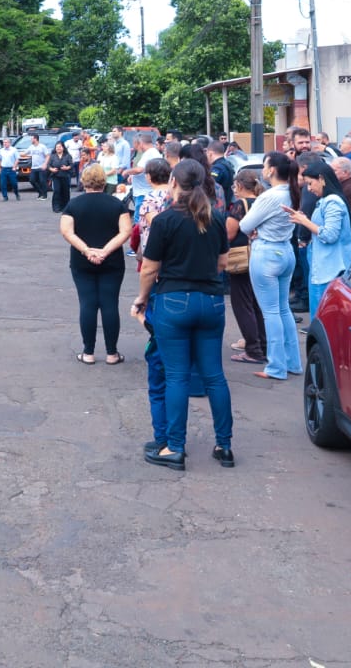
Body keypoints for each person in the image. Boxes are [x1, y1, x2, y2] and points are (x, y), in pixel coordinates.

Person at [130, 159, 233, 471]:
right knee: (214, 376)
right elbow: (223, 263)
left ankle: (174, 447)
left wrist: (142, 299)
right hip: (212, 302)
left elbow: (149, 268)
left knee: (175, 376)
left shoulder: (165, 221)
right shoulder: (215, 217)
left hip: (174, 300)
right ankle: (224, 446)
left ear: (173, 182)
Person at [239, 153, 302, 382]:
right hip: (285, 251)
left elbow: (245, 224)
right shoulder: (292, 191)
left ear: (272, 170)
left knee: (272, 312)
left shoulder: (270, 196)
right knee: (283, 309)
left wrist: (254, 230)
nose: (263, 171)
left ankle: (276, 366)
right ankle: (292, 362)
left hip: (266, 253)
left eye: (265, 166)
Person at [61, 164, 131, 364]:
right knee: (110, 304)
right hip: (112, 261)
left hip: (82, 261)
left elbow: (67, 231)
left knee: (88, 304)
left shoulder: (73, 205)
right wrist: (105, 251)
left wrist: (86, 250)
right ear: (103, 181)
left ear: (84, 181)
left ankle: (88, 352)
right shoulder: (116, 204)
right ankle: (112, 353)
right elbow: (125, 231)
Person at [287, 160, 351, 326]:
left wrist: (304, 221)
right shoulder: (327, 200)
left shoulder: (332, 202)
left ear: (322, 179)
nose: (309, 189)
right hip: (324, 266)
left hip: (329, 269)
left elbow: (330, 235)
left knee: (324, 322)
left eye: (310, 183)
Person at [225, 170, 266, 365]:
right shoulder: (263, 201)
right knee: (257, 304)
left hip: (241, 259)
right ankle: (263, 344)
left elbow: (229, 234)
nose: (234, 190)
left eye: (235, 186)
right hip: (260, 256)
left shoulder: (239, 206)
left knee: (242, 304)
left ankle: (253, 349)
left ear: (240, 186)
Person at [48, 139, 75, 213]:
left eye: (60, 147)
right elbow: (48, 165)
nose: (58, 148)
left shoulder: (68, 156)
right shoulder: (53, 156)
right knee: (57, 191)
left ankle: (65, 207)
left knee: (65, 191)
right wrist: (52, 169)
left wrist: (67, 168)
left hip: (65, 176)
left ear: (63, 147)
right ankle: (56, 207)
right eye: (57, 147)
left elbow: (71, 165)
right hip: (56, 176)